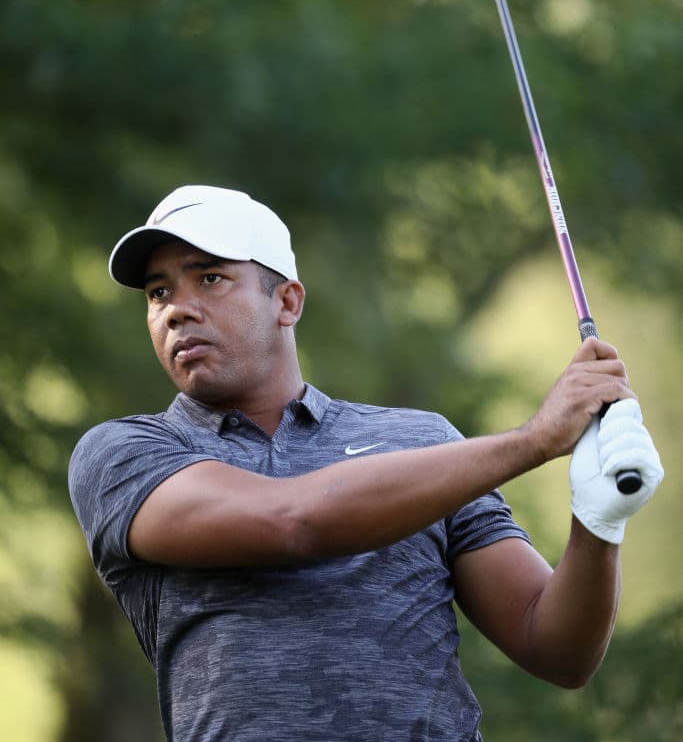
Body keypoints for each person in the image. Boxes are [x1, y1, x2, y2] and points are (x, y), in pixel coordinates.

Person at [68, 184, 664, 742]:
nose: (177, 310)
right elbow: (292, 521)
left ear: (287, 301)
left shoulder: (422, 441)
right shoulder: (125, 454)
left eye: (211, 278)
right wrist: (532, 442)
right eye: (159, 292)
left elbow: (556, 649)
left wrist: (597, 523)